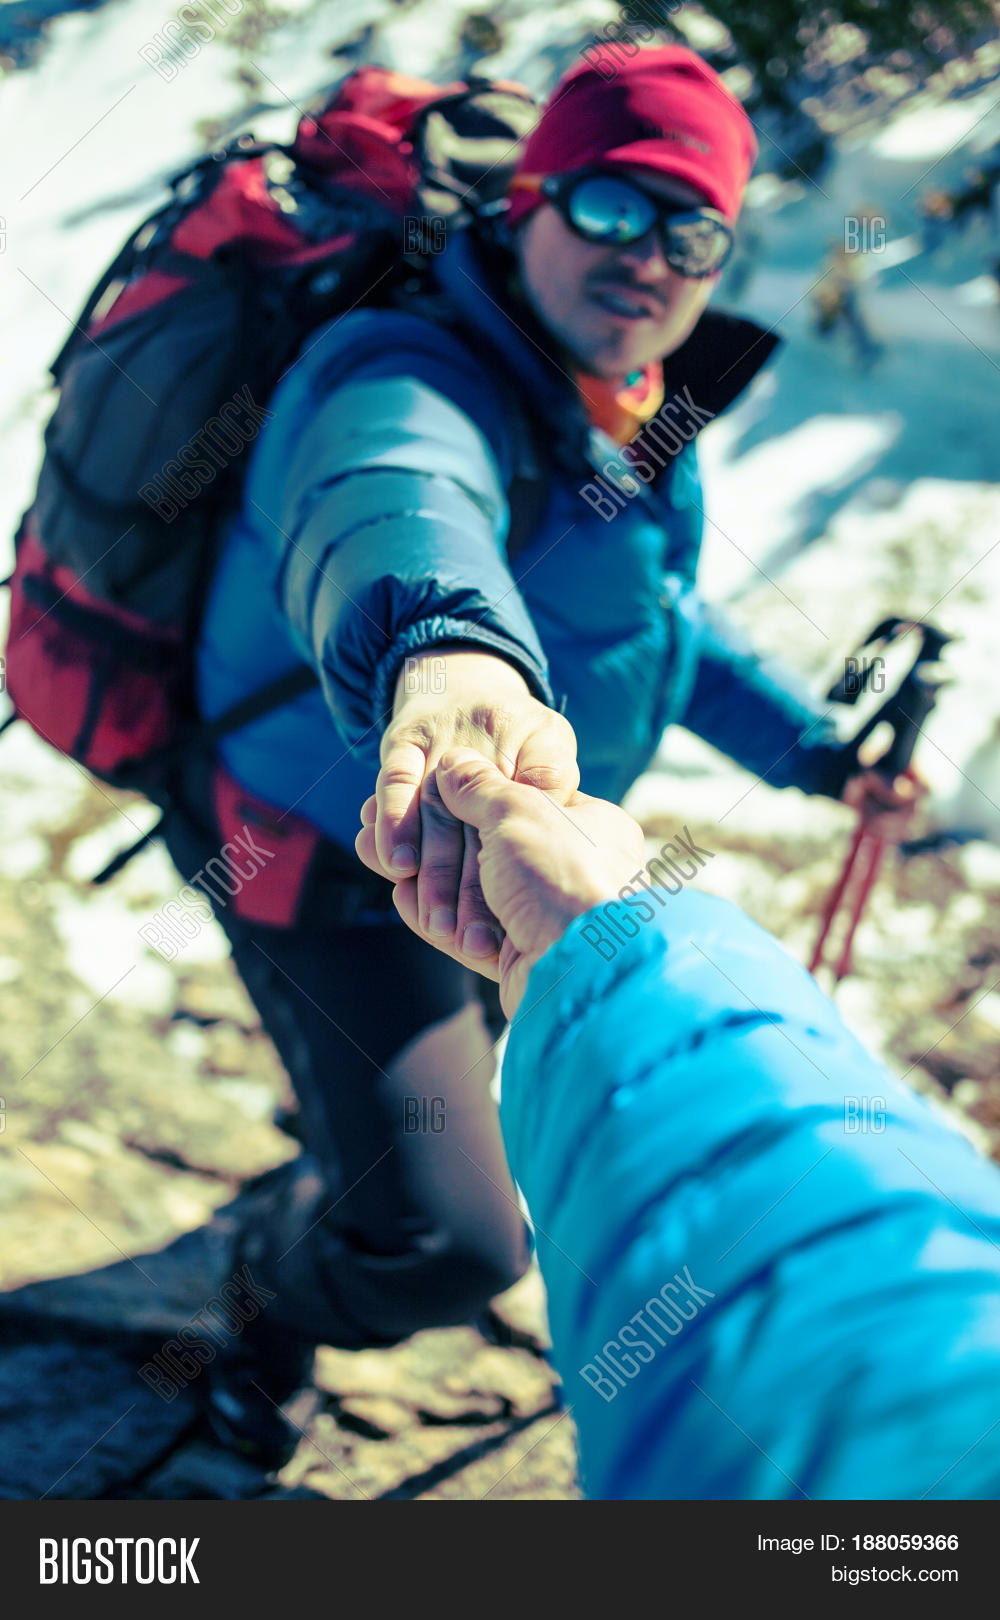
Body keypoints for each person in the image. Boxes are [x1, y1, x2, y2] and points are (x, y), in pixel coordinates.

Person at [162, 44, 917, 1463]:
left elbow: (658, 622)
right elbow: (391, 492)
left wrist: (818, 756)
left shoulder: (620, 396)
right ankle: (272, 1278)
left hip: (481, 841)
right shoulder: (398, 363)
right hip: (325, 849)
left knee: (487, 1110)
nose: (653, 255)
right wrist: (444, 644)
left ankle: (352, 1144)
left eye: (692, 228)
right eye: (616, 207)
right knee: (453, 1243)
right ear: (530, 202)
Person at [357, 751, 1000, 1500]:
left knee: (450, 1212)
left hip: (510, 891)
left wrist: (591, 938)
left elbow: (678, 649)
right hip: (380, 897)